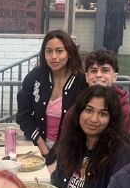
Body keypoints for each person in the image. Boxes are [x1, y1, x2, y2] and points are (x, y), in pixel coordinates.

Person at [16, 30, 87, 164]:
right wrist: (42, 145)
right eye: (48, 51)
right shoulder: (35, 76)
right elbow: (23, 115)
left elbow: (82, 123)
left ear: (70, 53)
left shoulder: (82, 81)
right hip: (37, 147)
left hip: (71, 151)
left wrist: (57, 152)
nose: (53, 56)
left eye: (59, 51)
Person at [84, 48, 130, 137]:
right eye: (94, 71)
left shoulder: (124, 110)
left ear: (114, 77)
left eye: (105, 70)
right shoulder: (78, 103)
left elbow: (123, 144)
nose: (98, 75)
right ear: (87, 77)